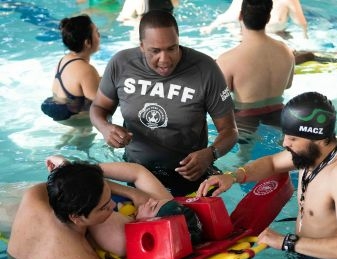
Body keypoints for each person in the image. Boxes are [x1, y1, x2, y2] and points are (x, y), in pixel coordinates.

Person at [0, 155, 202, 259]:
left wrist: (77, 174)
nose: (113, 206)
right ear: (77, 217)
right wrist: (141, 224)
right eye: (105, 207)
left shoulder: (34, 197)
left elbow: (62, 185)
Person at [197, 91, 337, 259]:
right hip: (309, 256)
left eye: (293, 138)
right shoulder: (311, 154)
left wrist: (284, 241)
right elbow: (272, 163)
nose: (285, 143)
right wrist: (233, 176)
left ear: (318, 138)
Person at [90, 10, 238, 196]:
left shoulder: (205, 70)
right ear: (142, 46)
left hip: (189, 174)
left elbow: (230, 131)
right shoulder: (121, 64)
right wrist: (105, 128)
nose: (165, 59)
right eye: (155, 51)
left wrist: (211, 154)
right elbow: (98, 108)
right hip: (136, 171)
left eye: (172, 48)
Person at [216, 0, 294, 157]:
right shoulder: (286, 51)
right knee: (287, 154)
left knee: (242, 157)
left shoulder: (228, 59)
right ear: (268, 18)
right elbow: (288, 85)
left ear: (240, 16)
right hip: (279, 114)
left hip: (245, 117)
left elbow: (221, 98)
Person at [41, 15, 101, 126]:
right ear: (87, 42)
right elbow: (101, 103)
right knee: (87, 134)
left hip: (58, 108)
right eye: (97, 32)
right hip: (75, 118)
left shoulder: (65, 59)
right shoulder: (87, 70)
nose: (99, 36)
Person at [200, 0, 307, 39]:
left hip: (277, 35)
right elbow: (227, 16)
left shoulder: (288, 1)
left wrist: (304, 36)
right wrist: (210, 27)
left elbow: (302, 24)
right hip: (244, 36)